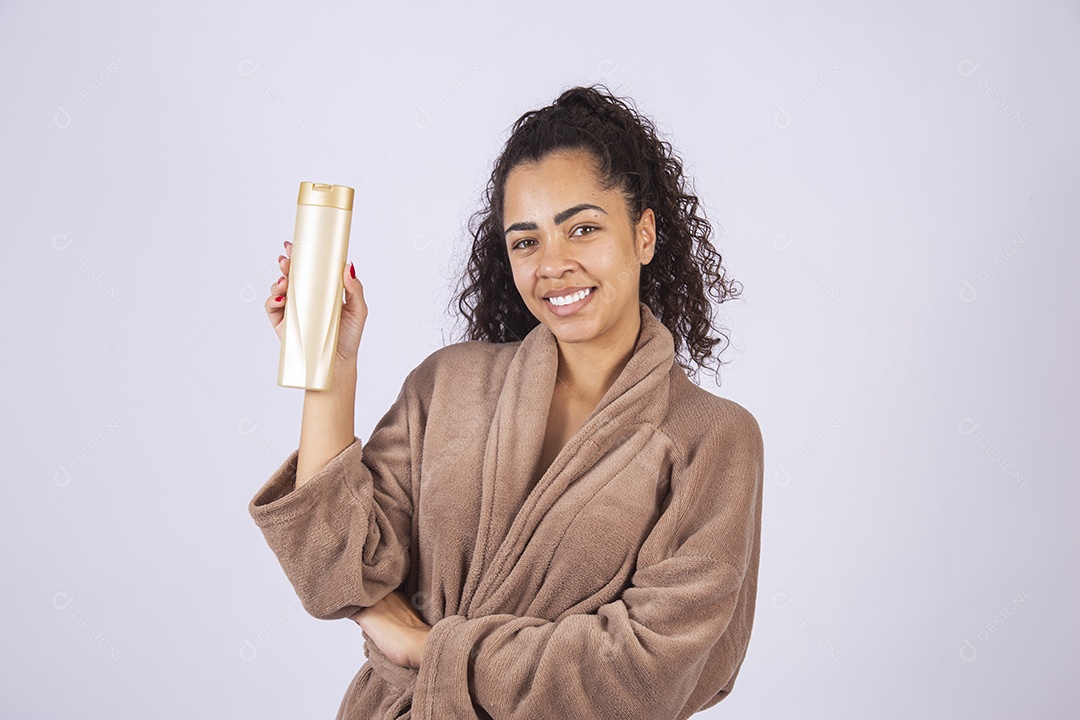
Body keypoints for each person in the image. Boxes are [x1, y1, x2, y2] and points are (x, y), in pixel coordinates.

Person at [251, 84, 764, 720]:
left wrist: (427, 648)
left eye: (582, 229)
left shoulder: (712, 438)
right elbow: (335, 572)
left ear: (644, 234)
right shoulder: (448, 385)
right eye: (526, 241)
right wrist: (331, 373)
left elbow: (643, 677)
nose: (553, 264)